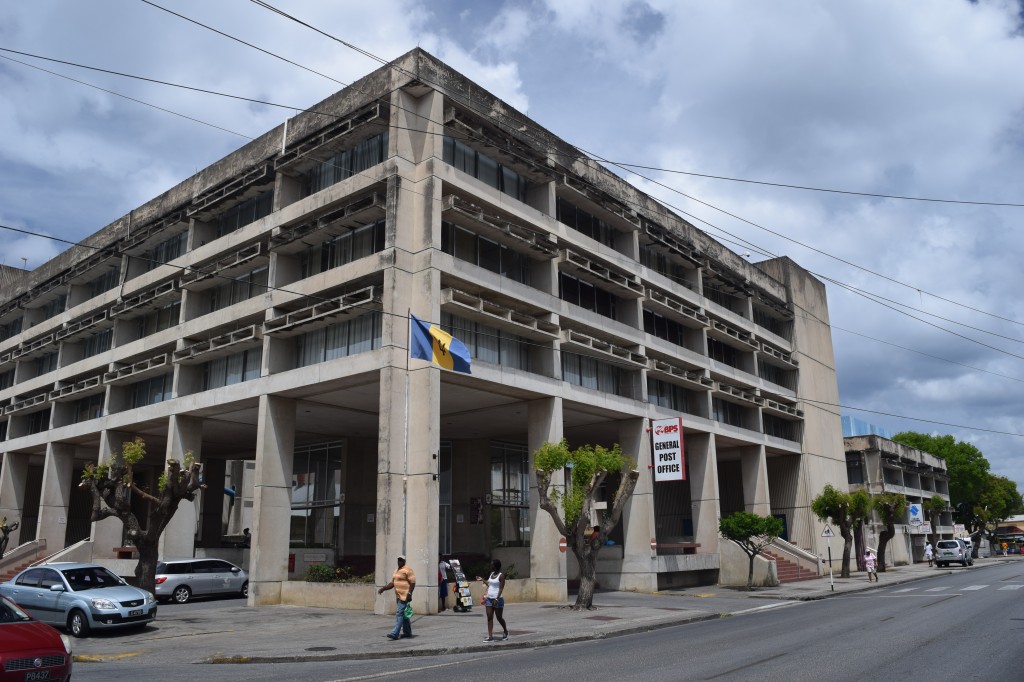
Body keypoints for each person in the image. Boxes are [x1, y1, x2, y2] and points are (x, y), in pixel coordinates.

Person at [378, 555, 416, 640]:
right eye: (398, 560)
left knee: (399, 613)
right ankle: (407, 632)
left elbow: (412, 583)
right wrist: (383, 588)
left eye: (401, 560)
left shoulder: (408, 570)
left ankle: (395, 633)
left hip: (405, 595)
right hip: (398, 595)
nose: (399, 562)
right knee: (404, 615)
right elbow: (393, 583)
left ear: (404, 561)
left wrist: (409, 593)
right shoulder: (396, 571)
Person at [476, 559, 508, 642]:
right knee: (489, 617)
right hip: (489, 599)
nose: (491, 566)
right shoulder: (491, 574)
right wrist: (482, 579)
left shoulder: (501, 576)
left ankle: (505, 630)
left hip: (497, 599)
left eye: (492, 565)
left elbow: (501, 588)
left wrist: (497, 598)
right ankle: (490, 636)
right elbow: (489, 584)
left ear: (496, 566)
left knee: (499, 617)